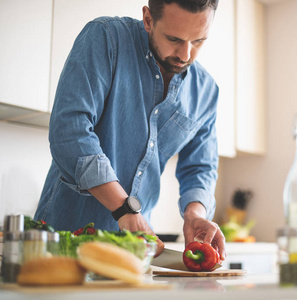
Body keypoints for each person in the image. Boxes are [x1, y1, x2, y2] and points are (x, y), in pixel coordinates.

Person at [34, 0, 225, 260]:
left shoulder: (206, 92)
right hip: (62, 246)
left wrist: (195, 214)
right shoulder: (105, 39)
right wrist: (125, 210)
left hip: (136, 254)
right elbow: (70, 131)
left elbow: (200, 168)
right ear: (148, 19)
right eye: (174, 39)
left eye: (199, 41)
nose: (185, 54)